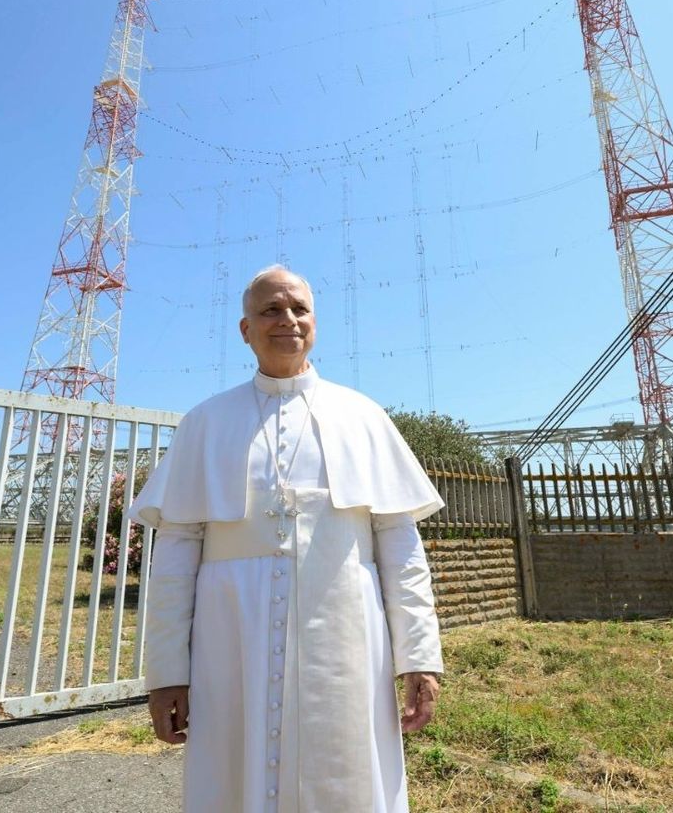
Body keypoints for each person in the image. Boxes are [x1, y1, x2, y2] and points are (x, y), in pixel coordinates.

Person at [129, 265, 444, 813]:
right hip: (231, 645)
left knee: (346, 775)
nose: (287, 321)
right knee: (232, 775)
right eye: (271, 310)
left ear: (315, 322)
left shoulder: (363, 416)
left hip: (345, 641)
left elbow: (400, 547)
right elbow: (175, 558)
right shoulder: (204, 423)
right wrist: (167, 674)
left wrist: (419, 656)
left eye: (299, 309)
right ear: (245, 328)